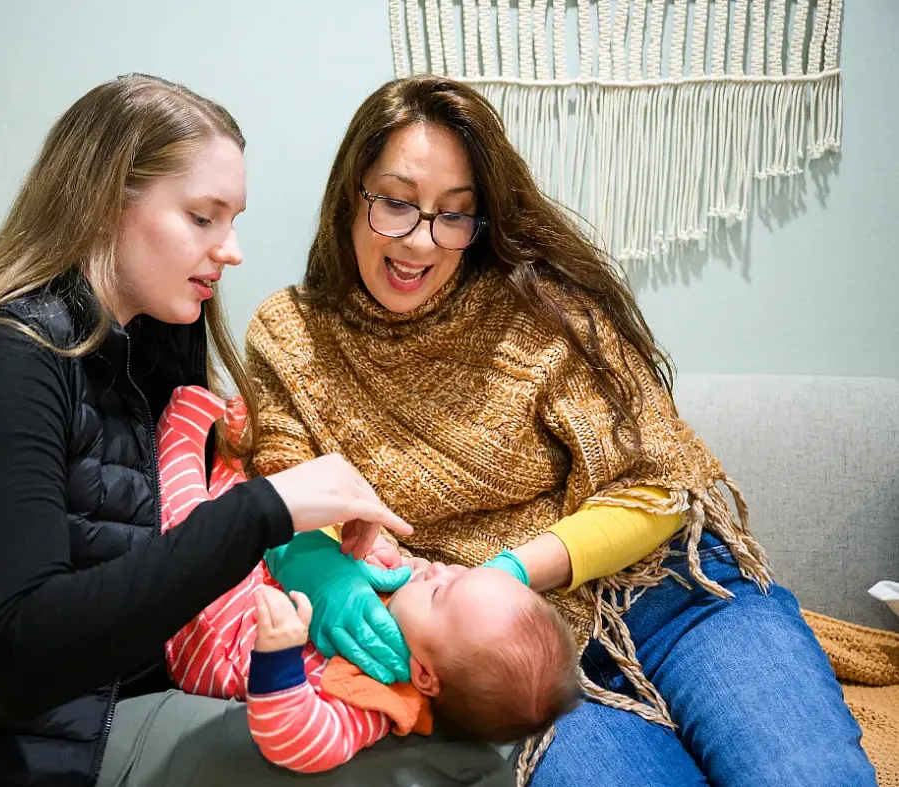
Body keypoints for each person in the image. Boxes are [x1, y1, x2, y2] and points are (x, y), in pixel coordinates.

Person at [244, 75, 877, 786]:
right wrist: (320, 571)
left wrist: (513, 571)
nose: (422, 241)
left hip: (666, 596)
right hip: (524, 672)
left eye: (455, 215)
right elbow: (275, 492)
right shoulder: (289, 334)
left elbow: (661, 485)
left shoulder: (538, 304)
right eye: (397, 203)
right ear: (349, 194)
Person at [0, 74, 455, 787]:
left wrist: (308, 557)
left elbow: (166, 535)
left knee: (453, 725)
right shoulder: (5, 362)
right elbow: (15, 661)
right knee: (442, 764)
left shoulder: (151, 337)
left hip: (114, 702)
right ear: (105, 204)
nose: (231, 250)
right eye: (204, 217)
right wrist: (265, 511)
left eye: (233, 220)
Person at [154, 385, 580, 773]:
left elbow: (301, 741)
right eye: (461, 571)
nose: (438, 568)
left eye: (440, 591)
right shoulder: (418, 616)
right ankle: (230, 462)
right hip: (263, 590)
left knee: (195, 534)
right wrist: (379, 558)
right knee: (257, 514)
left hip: (214, 639)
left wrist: (278, 657)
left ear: (425, 676)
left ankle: (179, 449)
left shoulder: (382, 698)